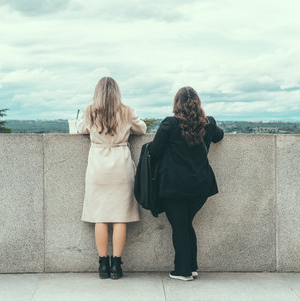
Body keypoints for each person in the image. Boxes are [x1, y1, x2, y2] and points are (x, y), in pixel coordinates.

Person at [149, 86, 224, 281]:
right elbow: (219, 136)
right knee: (185, 224)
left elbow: (154, 152)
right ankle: (191, 267)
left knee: (180, 226)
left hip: (174, 187)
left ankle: (183, 271)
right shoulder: (208, 124)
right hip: (200, 186)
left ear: (177, 104)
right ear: (198, 103)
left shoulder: (170, 124)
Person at [76, 77, 147, 279]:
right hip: (120, 165)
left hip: (98, 166)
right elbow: (141, 129)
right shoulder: (126, 110)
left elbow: (81, 129)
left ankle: (102, 265)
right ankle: (116, 266)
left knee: (100, 217)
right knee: (119, 217)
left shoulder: (90, 111)